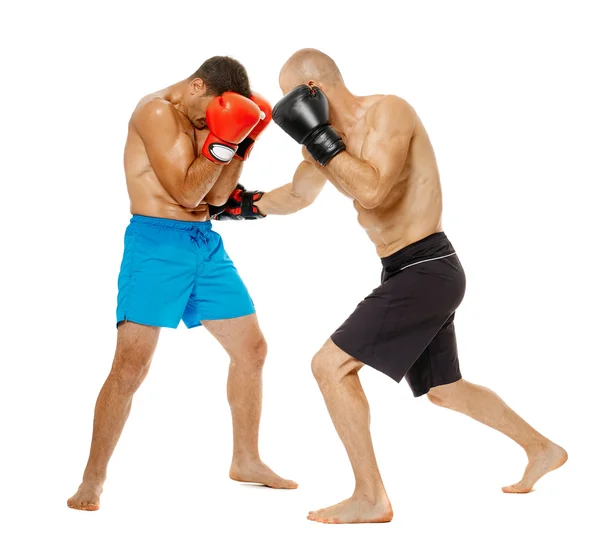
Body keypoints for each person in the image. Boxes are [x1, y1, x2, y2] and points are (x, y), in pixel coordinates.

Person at [215, 49, 568, 524]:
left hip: (430, 266)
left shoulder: (388, 112)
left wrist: (321, 140)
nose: (286, 110)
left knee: (330, 366)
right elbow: (296, 196)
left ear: (311, 93)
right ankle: (542, 448)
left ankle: (370, 497)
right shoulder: (325, 145)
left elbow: (374, 189)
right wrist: (238, 206)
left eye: (289, 97)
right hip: (402, 272)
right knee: (446, 390)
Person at [67, 56, 297, 512]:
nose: (207, 123)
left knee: (252, 350)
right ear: (195, 86)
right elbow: (187, 192)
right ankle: (91, 482)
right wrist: (223, 139)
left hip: (203, 244)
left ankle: (246, 459)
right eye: (207, 112)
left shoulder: (206, 117)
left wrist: (242, 142)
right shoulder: (155, 112)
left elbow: (212, 197)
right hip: (156, 247)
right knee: (130, 369)